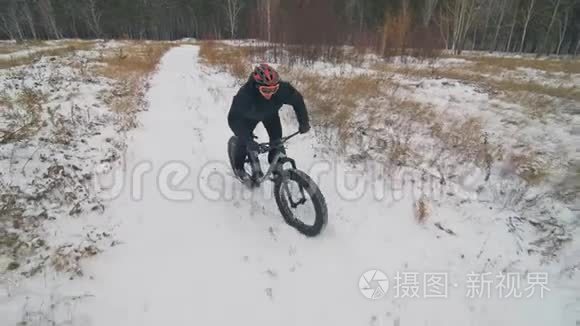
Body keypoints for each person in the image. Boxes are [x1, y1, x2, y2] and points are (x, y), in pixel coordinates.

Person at [228, 63, 311, 180]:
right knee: (243, 142)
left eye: (274, 89)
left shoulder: (282, 89)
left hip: (270, 115)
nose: (270, 93)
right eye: (265, 90)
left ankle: (277, 168)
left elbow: (297, 100)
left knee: (277, 142)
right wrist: (247, 139)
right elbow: (233, 119)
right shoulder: (245, 95)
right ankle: (239, 168)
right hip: (248, 118)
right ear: (257, 86)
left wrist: (304, 122)